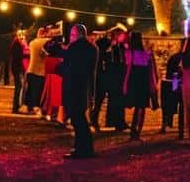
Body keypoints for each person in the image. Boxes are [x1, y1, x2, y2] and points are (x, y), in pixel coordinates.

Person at [59, 24, 99, 159]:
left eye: (72, 35)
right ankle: (84, 148)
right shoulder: (92, 49)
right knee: (80, 119)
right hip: (85, 87)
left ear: (78, 35)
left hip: (73, 87)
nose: (71, 38)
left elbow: (66, 67)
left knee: (77, 120)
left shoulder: (74, 48)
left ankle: (82, 149)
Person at [122, 31, 155, 141]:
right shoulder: (147, 54)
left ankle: (133, 132)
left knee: (136, 107)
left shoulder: (129, 53)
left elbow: (128, 69)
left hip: (134, 81)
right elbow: (151, 71)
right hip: (144, 82)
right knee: (141, 108)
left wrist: (125, 84)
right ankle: (137, 132)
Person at [93, 28, 127, 132]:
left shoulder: (119, 47)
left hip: (113, 78)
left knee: (116, 101)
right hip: (104, 77)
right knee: (99, 100)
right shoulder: (105, 44)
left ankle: (118, 122)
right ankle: (94, 121)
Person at [25, 27, 50, 116]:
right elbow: (47, 54)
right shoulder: (45, 42)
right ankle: (36, 107)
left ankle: (29, 107)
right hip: (40, 71)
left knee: (30, 89)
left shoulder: (32, 42)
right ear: (44, 34)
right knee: (38, 91)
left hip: (30, 69)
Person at [8, 31, 29, 113]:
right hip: (17, 68)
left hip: (16, 67)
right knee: (18, 86)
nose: (21, 36)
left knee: (19, 86)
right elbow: (18, 57)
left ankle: (16, 106)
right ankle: (15, 107)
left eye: (22, 35)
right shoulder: (17, 45)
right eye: (19, 35)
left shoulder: (17, 44)